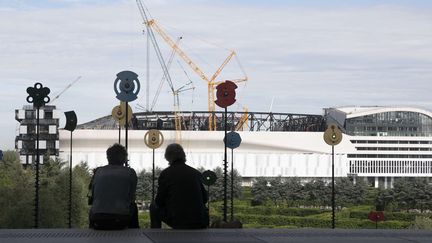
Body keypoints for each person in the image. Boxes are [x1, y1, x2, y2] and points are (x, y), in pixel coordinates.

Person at [150, 143, 208, 229]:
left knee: (154, 207)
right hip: (198, 220)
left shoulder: (166, 174)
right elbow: (205, 198)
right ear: (183, 156)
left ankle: (155, 234)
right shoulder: (196, 173)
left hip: (177, 220)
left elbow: (159, 201)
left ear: (167, 156)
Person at [89, 143, 139, 230]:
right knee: (133, 206)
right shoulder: (130, 172)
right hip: (121, 220)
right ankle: (135, 233)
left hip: (98, 219)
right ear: (124, 158)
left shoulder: (98, 171)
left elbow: (92, 196)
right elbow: (131, 197)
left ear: (108, 157)